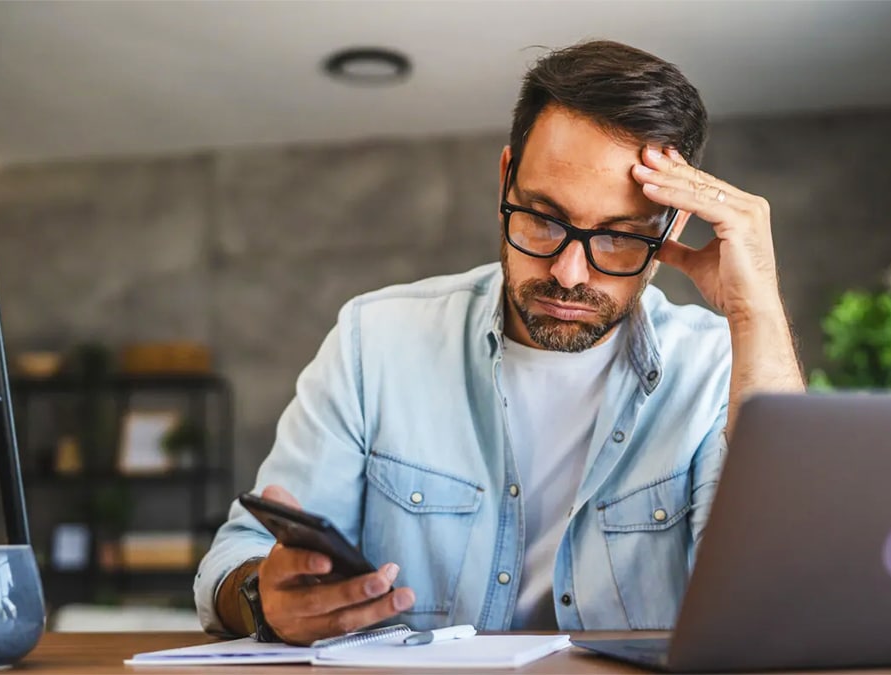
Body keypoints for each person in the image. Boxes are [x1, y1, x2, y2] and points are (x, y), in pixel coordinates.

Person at [194, 39, 803, 645]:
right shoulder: (373, 342)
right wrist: (263, 599)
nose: (569, 273)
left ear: (671, 225)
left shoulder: (716, 367)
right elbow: (237, 561)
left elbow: (778, 598)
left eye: (619, 236)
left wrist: (757, 314)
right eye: (543, 217)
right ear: (506, 178)